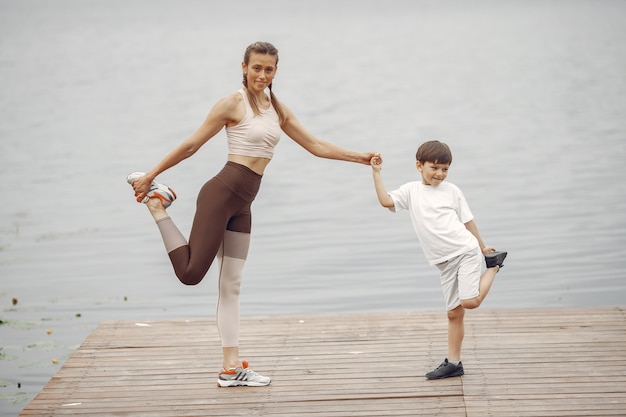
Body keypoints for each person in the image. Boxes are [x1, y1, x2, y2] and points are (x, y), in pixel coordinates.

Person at [126, 41, 379, 387]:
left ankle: (231, 369)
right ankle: (158, 206)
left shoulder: (276, 107)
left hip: (244, 203)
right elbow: (191, 145)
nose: (262, 74)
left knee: (232, 285)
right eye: (256, 67)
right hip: (221, 193)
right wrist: (151, 175)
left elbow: (316, 146)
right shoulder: (232, 103)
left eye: (269, 69)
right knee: (190, 274)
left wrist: (360, 157)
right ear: (243, 67)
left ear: (276, 71)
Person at [369, 140, 507, 380]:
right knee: (454, 314)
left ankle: (494, 266)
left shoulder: (452, 191)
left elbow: (468, 221)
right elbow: (386, 201)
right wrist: (376, 172)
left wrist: (482, 247)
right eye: (434, 168)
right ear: (419, 165)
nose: (440, 174)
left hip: (465, 251)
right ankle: (454, 363)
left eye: (445, 169)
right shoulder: (411, 191)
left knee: (470, 301)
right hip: (444, 262)